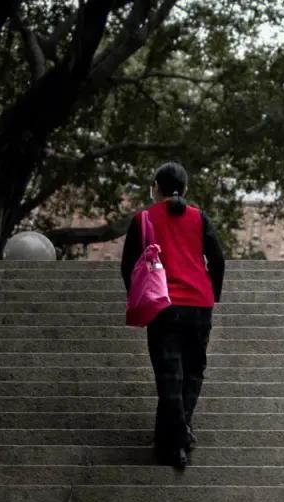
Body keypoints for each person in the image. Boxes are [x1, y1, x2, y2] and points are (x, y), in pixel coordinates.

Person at [121, 162, 225, 469]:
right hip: (200, 304)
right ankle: (177, 435)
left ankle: (178, 436)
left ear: (156, 187)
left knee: (169, 376)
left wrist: (138, 296)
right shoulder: (198, 217)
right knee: (192, 372)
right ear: (185, 188)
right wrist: (213, 293)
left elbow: (128, 266)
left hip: (163, 305)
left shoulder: (143, 219)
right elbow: (217, 258)